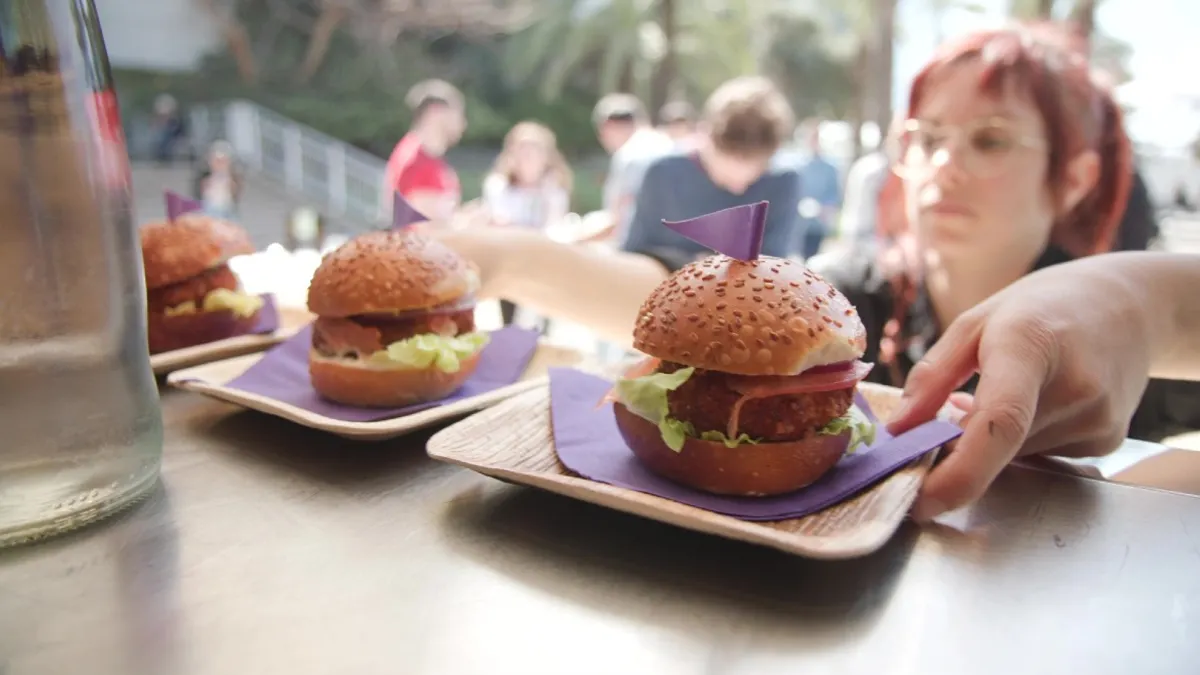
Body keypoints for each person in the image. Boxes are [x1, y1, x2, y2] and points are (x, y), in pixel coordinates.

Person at [811, 23, 1199, 450]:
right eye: (928, 137)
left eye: (991, 140)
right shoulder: (842, 303)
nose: (943, 164)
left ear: (1074, 178)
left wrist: (1150, 310)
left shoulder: (1110, 332)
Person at [888, 251, 1200, 520]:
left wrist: (1143, 302)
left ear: (1074, 181)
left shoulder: (1111, 354)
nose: (946, 177)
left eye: (983, 174)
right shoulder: (871, 297)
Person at [619, 75, 803, 272]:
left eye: (754, 176)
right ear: (705, 136)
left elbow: (776, 265)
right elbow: (633, 256)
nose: (738, 188)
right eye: (725, 177)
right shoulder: (662, 174)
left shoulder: (783, 181)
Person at [482, 121, 573, 327]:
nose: (528, 158)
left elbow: (556, 225)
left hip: (543, 258)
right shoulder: (499, 186)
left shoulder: (553, 189)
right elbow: (498, 220)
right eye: (522, 151)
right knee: (509, 318)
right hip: (510, 260)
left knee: (541, 317)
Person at [593, 93, 675, 244]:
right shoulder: (670, 145)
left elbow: (618, 218)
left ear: (608, 127)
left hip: (643, 248)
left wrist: (575, 240)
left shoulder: (629, 155)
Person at [382, 79, 466, 222]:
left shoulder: (433, 160)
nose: (463, 123)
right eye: (458, 113)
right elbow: (423, 225)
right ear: (435, 112)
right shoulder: (413, 160)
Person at [794, 119, 842, 259]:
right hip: (798, 224)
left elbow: (834, 194)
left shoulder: (830, 167)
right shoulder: (797, 166)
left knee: (812, 258)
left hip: (818, 224)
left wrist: (825, 208)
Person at [193, 140, 242, 218]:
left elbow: (234, 194)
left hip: (226, 209)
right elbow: (200, 194)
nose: (220, 165)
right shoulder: (206, 178)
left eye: (223, 162)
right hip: (209, 209)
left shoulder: (231, 178)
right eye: (217, 161)